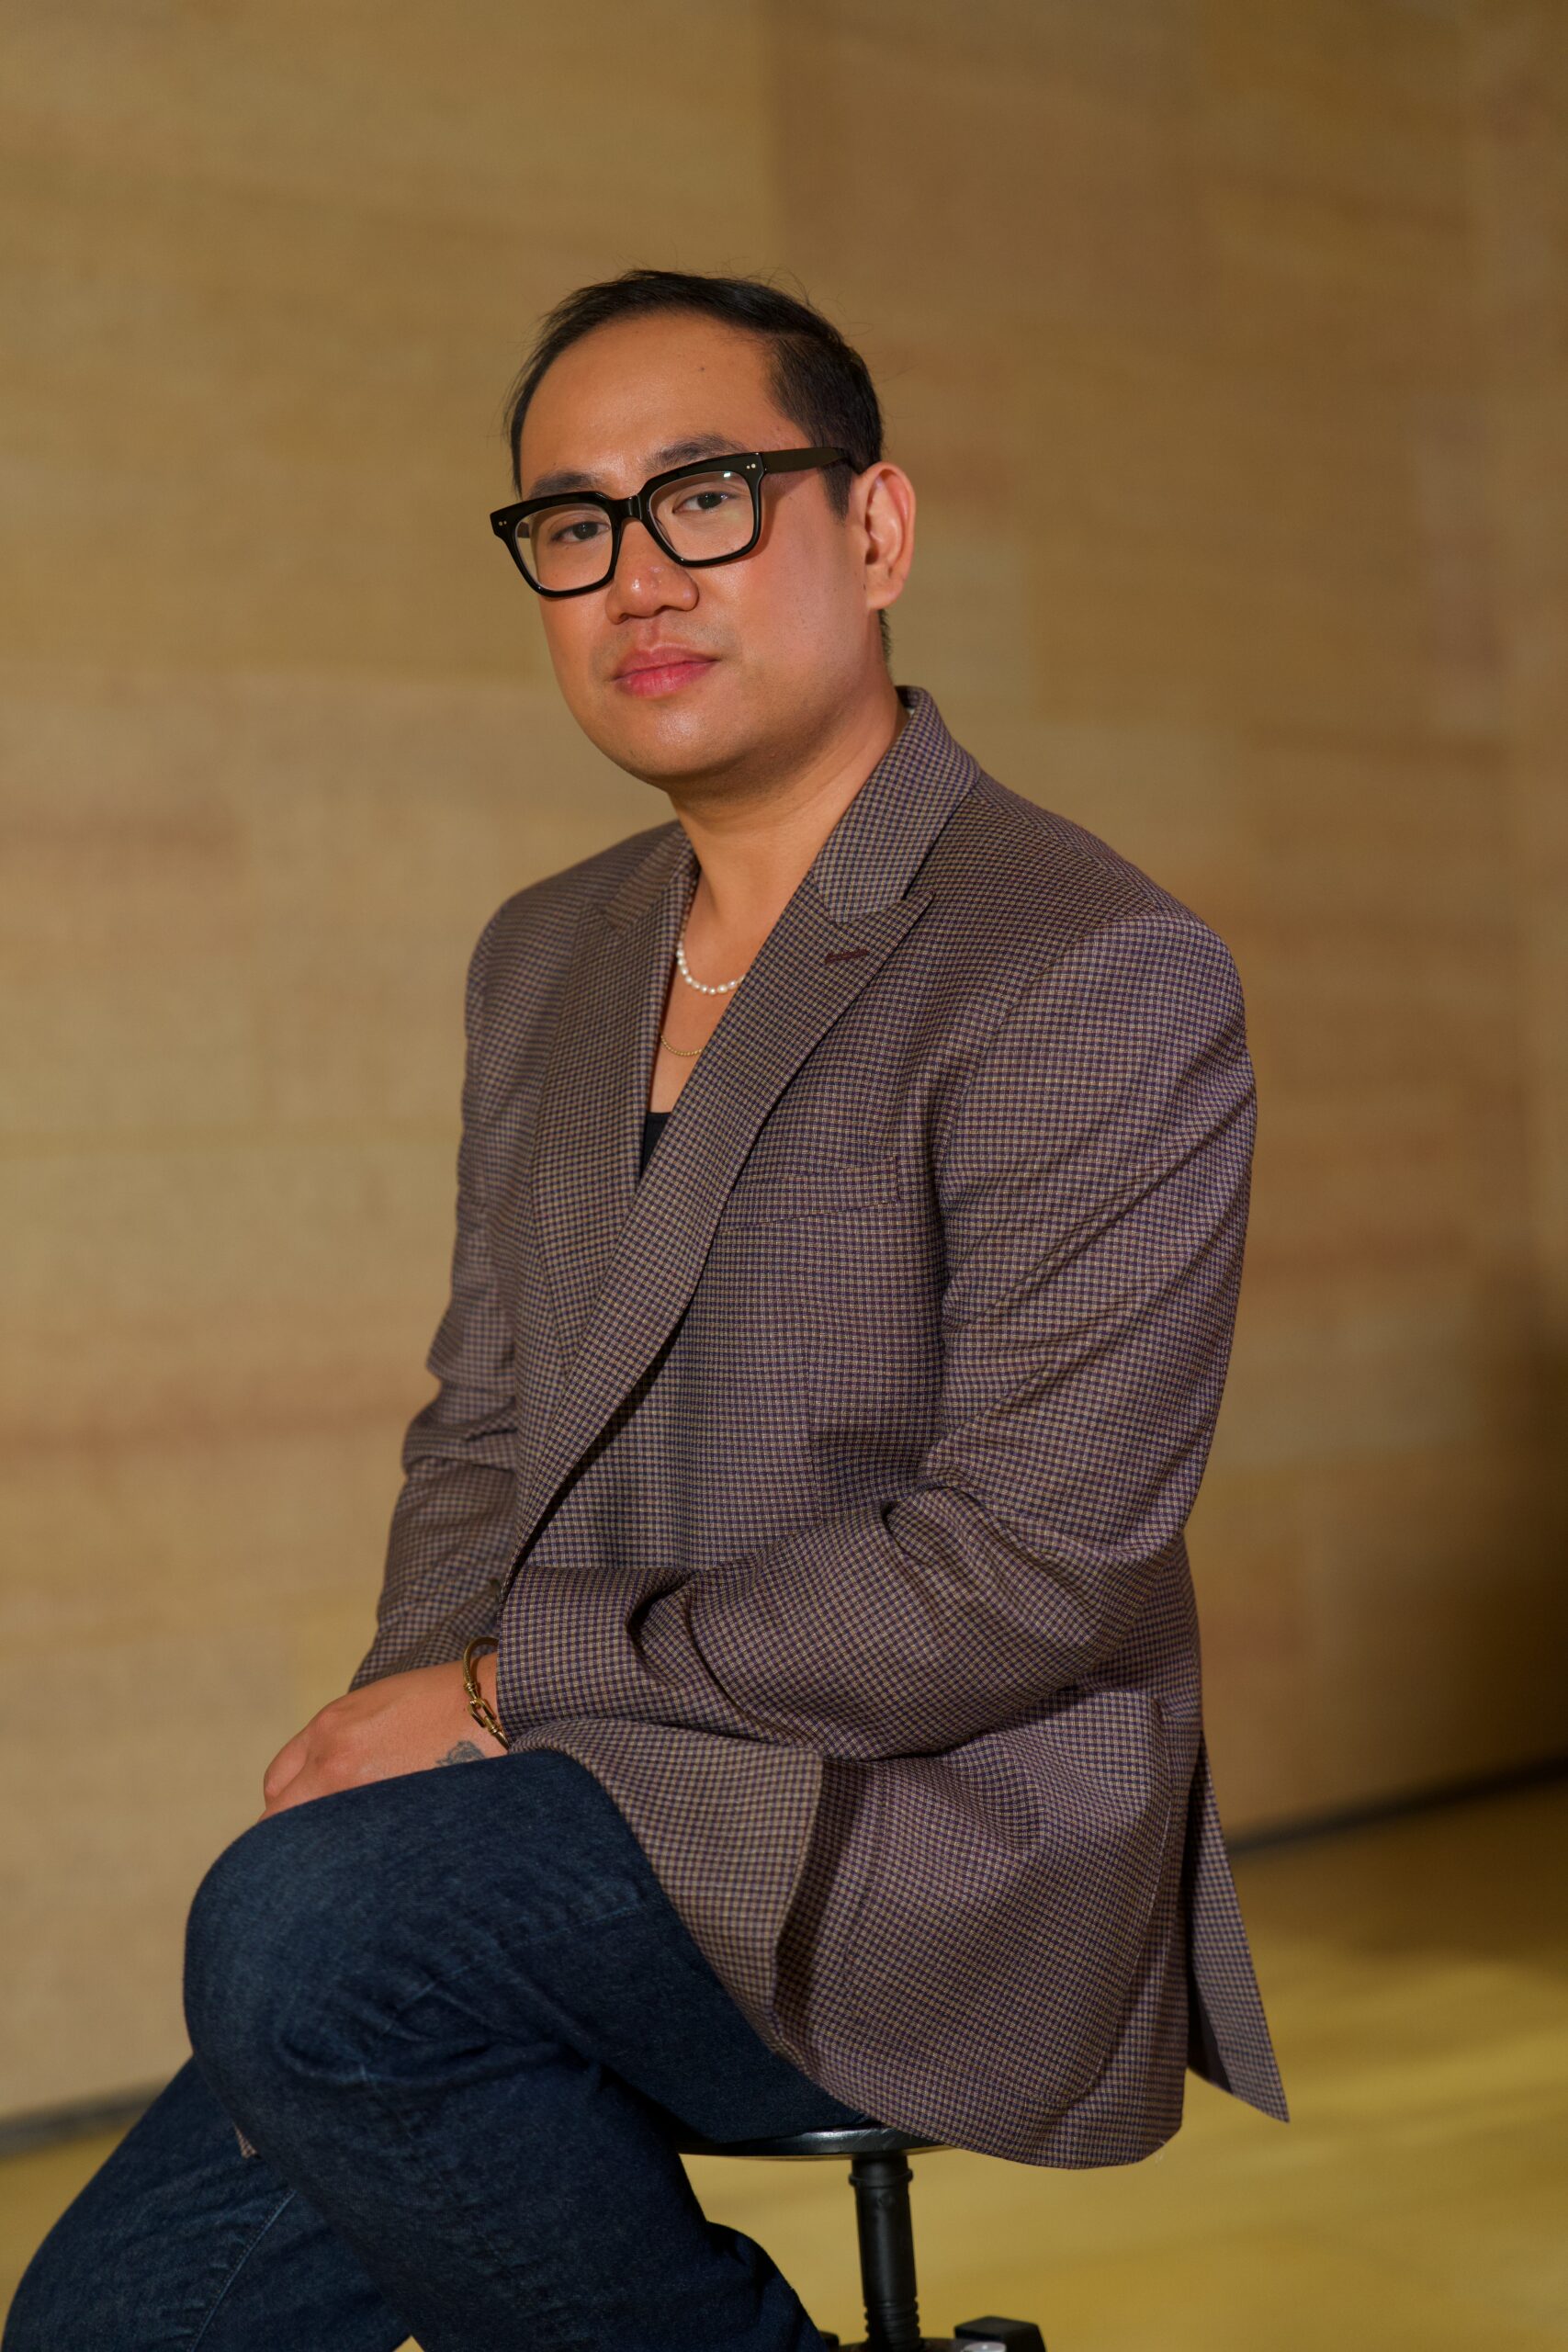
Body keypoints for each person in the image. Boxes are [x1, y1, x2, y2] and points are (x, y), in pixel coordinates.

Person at [6, 266, 1288, 2352]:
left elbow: (1025, 1574)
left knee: (296, 1942)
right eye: (569, 525)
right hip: (592, 1822)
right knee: (105, 2328)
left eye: (704, 497)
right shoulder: (546, 954)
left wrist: (507, 1693)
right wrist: (425, 1725)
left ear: (870, 531)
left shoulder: (1083, 968)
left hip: (915, 1842)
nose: (631, 577)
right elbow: (483, 1428)